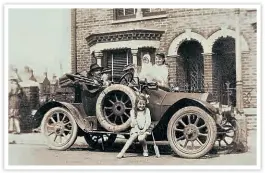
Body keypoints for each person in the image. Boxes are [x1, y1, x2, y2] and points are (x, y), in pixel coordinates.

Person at [117, 94, 151, 158]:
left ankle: (145, 149)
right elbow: (134, 122)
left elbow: (148, 121)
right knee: (133, 137)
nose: (142, 106)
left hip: (145, 128)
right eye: (140, 104)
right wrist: (138, 130)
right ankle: (122, 152)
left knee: (141, 138)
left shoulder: (147, 111)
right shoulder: (132, 111)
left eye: (143, 104)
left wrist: (143, 130)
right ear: (136, 103)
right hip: (136, 128)